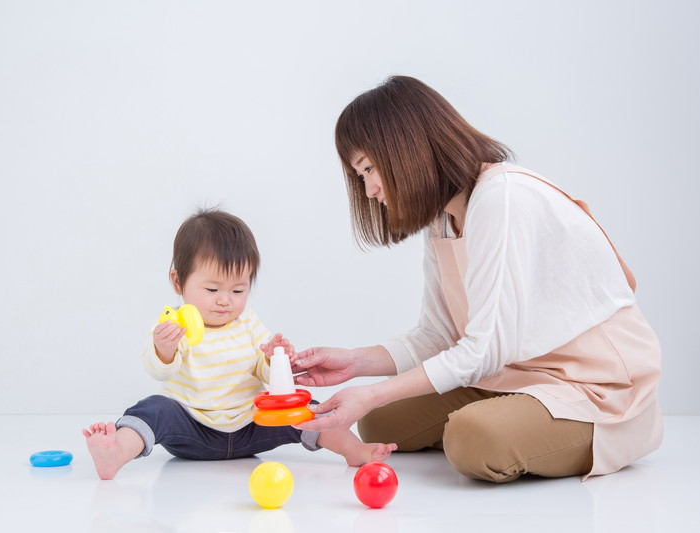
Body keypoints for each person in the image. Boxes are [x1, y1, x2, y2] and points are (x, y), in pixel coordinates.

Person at [292, 76, 662, 483]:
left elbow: (484, 348)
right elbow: (438, 335)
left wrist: (374, 391)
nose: (369, 190)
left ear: (406, 148)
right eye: (360, 175)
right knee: (380, 422)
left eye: (369, 169)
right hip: (513, 375)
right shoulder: (443, 218)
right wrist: (355, 363)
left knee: (471, 440)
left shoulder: (501, 197)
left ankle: (615, 432)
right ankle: (512, 415)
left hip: (596, 386)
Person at [83, 208, 396, 480]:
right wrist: (164, 349)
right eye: (212, 288)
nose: (224, 301)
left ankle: (354, 450)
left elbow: (264, 374)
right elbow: (160, 370)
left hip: (252, 425)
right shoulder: (173, 325)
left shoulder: (249, 324)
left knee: (301, 406)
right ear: (178, 282)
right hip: (193, 430)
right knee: (154, 408)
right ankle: (116, 452)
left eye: (237, 290)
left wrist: (276, 359)